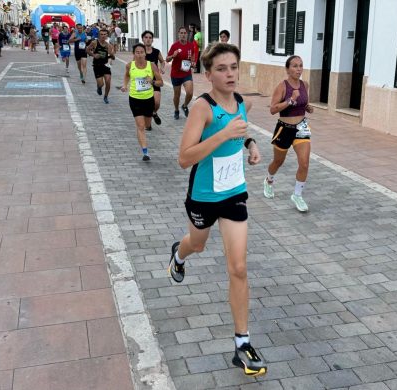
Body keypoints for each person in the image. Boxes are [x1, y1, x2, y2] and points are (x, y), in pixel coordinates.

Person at [168, 42, 266, 377]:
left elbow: (242, 132)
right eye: (222, 69)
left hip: (234, 193)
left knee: (238, 268)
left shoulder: (241, 102)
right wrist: (224, 134)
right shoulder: (202, 107)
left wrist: (250, 145)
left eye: (234, 67)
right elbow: (184, 158)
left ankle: (242, 343)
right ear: (208, 74)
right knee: (197, 244)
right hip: (203, 196)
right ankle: (178, 255)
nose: (230, 74)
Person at [263, 55, 314, 212]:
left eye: (300, 65)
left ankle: (297, 195)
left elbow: (303, 104)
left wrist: (307, 107)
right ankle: (269, 180)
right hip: (284, 128)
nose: (299, 69)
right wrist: (290, 100)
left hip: (301, 128)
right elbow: (272, 109)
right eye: (295, 66)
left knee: (304, 163)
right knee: (278, 161)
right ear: (287, 69)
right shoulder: (282, 86)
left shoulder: (305, 85)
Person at [120, 43, 163, 161]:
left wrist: (152, 82)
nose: (139, 55)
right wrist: (124, 85)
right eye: (137, 52)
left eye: (141, 52)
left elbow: (161, 82)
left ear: (145, 53)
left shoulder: (152, 65)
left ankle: (153, 114)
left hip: (149, 99)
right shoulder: (129, 65)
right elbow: (126, 76)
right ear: (134, 54)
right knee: (141, 126)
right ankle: (145, 152)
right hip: (134, 99)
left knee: (148, 125)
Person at [166, 26, 195, 120]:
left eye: (184, 33)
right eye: (181, 33)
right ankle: (176, 110)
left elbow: (193, 56)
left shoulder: (191, 45)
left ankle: (185, 106)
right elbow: (167, 59)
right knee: (177, 95)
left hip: (186, 73)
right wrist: (173, 56)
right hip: (176, 74)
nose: (183, 35)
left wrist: (193, 62)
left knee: (190, 93)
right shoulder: (174, 46)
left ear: (187, 35)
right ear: (178, 35)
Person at [142, 30, 166, 129]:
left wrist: (162, 68)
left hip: (155, 79)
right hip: (143, 80)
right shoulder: (140, 51)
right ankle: (148, 124)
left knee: (156, 102)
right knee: (146, 103)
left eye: (150, 38)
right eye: (146, 37)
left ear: (152, 40)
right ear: (143, 39)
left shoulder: (156, 51)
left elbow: (162, 61)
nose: (148, 39)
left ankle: (154, 112)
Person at [87, 28, 115, 104]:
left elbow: (113, 58)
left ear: (107, 35)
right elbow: (87, 50)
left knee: (108, 82)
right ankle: (99, 87)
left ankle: (106, 96)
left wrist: (111, 54)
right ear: (99, 35)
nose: (103, 36)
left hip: (106, 65)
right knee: (101, 84)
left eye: (104, 34)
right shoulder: (94, 42)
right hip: (97, 65)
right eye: (101, 34)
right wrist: (93, 55)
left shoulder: (109, 45)